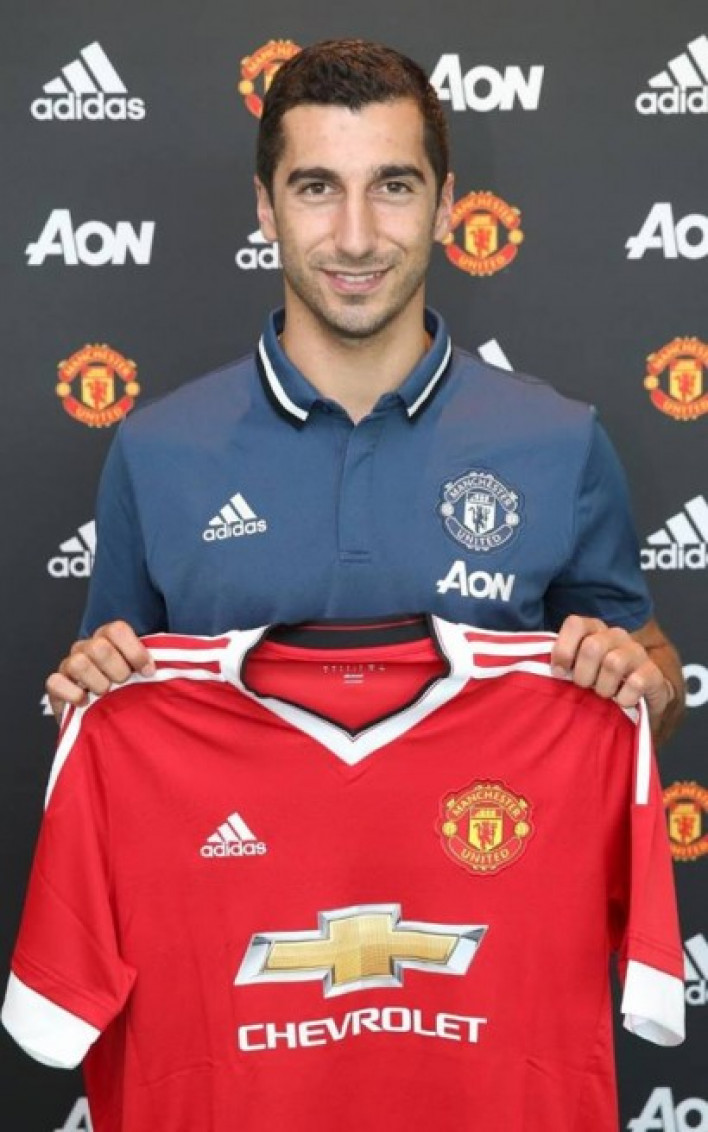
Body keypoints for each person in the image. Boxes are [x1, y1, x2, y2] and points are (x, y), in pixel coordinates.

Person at [45, 39, 683, 741]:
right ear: (266, 208)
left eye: (393, 187)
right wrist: (89, 689)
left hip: (479, 818)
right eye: (317, 188)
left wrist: (645, 688)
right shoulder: (155, 452)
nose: (356, 237)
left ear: (444, 206)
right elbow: (113, 712)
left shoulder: (560, 441)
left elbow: (650, 680)